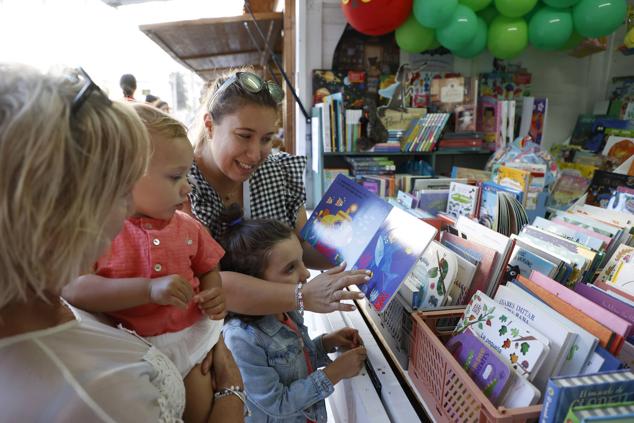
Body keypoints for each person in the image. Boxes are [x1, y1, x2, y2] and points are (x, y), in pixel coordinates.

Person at [0, 64, 244, 422]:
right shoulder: (98, 395)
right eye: (118, 191)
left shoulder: (43, 307)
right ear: (63, 215)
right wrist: (232, 391)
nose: (127, 209)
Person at [63, 103, 239, 423]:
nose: (187, 186)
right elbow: (76, 288)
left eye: (187, 174)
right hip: (131, 349)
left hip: (189, 337)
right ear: (122, 176)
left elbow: (207, 266)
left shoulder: (188, 226)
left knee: (197, 413)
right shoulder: (101, 234)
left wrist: (214, 294)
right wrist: (147, 289)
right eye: (175, 176)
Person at [188, 69, 370, 316]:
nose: (255, 155)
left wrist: (357, 245)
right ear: (209, 125)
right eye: (244, 136)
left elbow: (303, 247)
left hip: (282, 328)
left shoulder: (277, 172)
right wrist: (301, 296)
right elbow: (212, 283)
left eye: (266, 139)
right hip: (218, 342)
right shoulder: (181, 186)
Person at [219, 208, 367, 422]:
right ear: (253, 281)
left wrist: (326, 343)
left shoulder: (286, 311)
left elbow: (293, 364)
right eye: (290, 268)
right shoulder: (241, 338)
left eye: (301, 261)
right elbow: (277, 404)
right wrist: (334, 373)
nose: (306, 274)